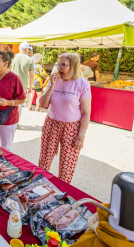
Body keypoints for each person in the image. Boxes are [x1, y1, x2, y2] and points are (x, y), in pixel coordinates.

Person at [38, 53, 91, 184]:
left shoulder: (82, 84)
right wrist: (51, 85)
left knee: (67, 163)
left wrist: (81, 136)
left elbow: (86, 114)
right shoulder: (54, 81)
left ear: (73, 66)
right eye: (58, 64)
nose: (59, 67)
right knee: (45, 158)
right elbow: (43, 104)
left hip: (72, 127)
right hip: (52, 123)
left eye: (63, 65)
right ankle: (39, 185)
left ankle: (63, 190)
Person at [10, 42, 34, 120]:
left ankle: (8, 119)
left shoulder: (12, 57)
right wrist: (30, 87)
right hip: (22, 86)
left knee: (9, 102)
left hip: (10, 84)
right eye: (28, 49)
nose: (28, 51)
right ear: (25, 49)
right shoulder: (30, 60)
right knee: (19, 105)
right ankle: (16, 122)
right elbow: (31, 76)